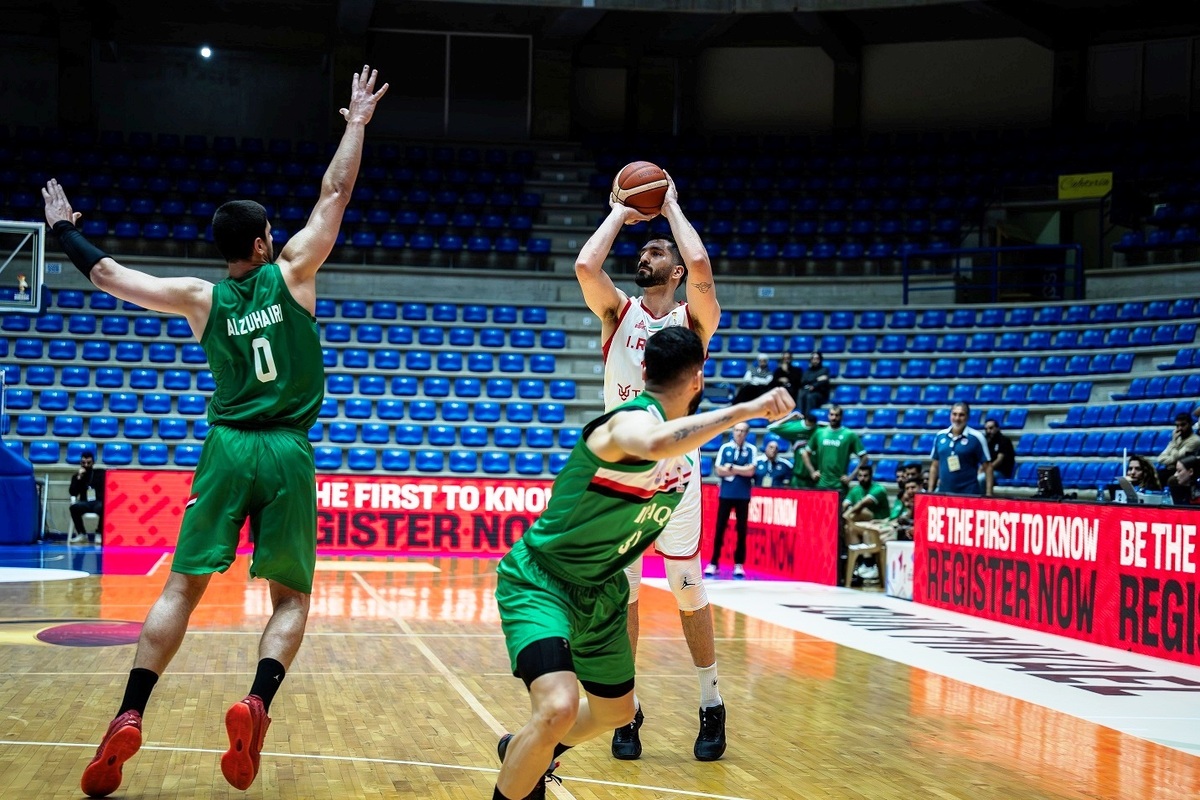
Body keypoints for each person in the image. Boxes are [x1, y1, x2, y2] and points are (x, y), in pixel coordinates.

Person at [49, 65, 389, 799]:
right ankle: (257, 701)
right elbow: (334, 194)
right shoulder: (295, 272)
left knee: (182, 586)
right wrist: (355, 122)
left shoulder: (201, 299)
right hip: (288, 450)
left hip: (228, 445)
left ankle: (129, 713)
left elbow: (108, 276)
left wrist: (64, 232)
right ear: (266, 243)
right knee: (291, 600)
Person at [492, 328, 794, 800]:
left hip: (603, 590)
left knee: (616, 713)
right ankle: (533, 754)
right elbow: (650, 443)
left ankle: (528, 749)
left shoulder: (684, 465)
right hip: (545, 581)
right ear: (698, 380)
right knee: (558, 707)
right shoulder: (627, 423)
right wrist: (747, 409)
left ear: (646, 370)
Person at [573, 172, 727, 761]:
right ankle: (628, 710)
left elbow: (706, 268)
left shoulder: (693, 321)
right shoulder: (618, 314)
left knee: (687, 590)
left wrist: (671, 208)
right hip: (622, 476)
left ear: (677, 270)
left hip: (678, 475)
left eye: (656, 248)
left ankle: (711, 702)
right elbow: (588, 268)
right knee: (626, 598)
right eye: (644, 248)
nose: (646, 251)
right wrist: (620, 211)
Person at [706, 422, 757, 579]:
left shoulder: (751, 449)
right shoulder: (725, 448)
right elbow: (719, 470)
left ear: (747, 433)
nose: (739, 433)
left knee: (741, 530)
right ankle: (714, 563)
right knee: (720, 528)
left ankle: (739, 564)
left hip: (743, 495)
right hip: (726, 494)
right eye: (736, 430)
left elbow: (751, 471)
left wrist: (733, 468)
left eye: (742, 431)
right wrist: (741, 469)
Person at [801, 405, 869, 498]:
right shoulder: (819, 433)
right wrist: (812, 472)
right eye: (832, 415)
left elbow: (864, 457)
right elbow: (805, 453)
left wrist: (851, 477)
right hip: (821, 484)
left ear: (841, 417)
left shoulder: (849, 435)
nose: (834, 418)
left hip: (839, 485)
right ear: (828, 416)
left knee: (838, 512)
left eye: (837, 415)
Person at [928, 401, 992, 496]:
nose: (957, 418)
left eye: (961, 415)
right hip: (943, 492)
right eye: (954, 414)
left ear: (967, 417)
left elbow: (988, 467)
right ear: (950, 415)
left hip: (969, 493)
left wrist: (989, 493)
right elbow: (934, 465)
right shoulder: (940, 436)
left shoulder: (976, 437)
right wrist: (930, 491)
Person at [841, 464, 889, 582]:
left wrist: (845, 516)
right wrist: (844, 514)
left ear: (871, 476)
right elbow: (844, 505)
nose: (862, 478)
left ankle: (869, 564)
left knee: (861, 513)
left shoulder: (879, 489)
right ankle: (860, 563)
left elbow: (862, 505)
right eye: (860, 476)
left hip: (880, 524)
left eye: (865, 476)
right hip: (861, 526)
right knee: (849, 528)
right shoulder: (855, 490)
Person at [767, 410, 824, 488]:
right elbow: (771, 427)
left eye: (812, 425)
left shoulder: (819, 430)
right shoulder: (796, 428)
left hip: (815, 477)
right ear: (805, 421)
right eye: (809, 425)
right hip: (798, 477)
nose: (810, 427)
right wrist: (789, 417)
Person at [69, 449, 105, 543]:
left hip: (98, 502)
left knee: (104, 507)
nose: (86, 465)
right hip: (85, 502)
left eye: (88, 463)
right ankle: (82, 534)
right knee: (74, 508)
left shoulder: (100, 473)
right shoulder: (76, 476)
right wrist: (79, 477)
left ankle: (99, 533)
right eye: (83, 463)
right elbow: (73, 492)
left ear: (93, 462)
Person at [1157, 413, 1200, 488]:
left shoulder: (1195, 440)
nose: (1179, 428)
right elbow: (1160, 458)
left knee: (1167, 478)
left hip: (1184, 471)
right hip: (1170, 469)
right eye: (1177, 426)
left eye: (1183, 425)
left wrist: (1173, 442)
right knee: (1151, 475)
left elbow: (1176, 458)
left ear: (1190, 424)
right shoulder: (1178, 438)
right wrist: (1172, 459)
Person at [982, 417, 1016, 491]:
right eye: (986, 429)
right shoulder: (986, 441)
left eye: (991, 428)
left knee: (981, 478)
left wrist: (987, 469)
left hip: (1001, 472)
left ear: (997, 428)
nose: (988, 431)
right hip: (989, 470)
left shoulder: (1004, 440)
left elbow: (999, 460)